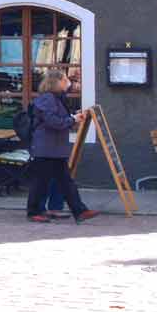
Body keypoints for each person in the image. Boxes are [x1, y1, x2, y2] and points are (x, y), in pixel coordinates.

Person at [26, 69, 98, 223]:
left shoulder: (56, 98)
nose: (68, 82)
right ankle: (34, 211)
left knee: (65, 181)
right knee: (41, 182)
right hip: (46, 148)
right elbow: (53, 121)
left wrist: (72, 117)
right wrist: (73, 120)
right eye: (65, 80)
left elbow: (59, 118)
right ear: (56, 82)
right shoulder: (48, 99)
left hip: (54, 148)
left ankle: (80, 211)